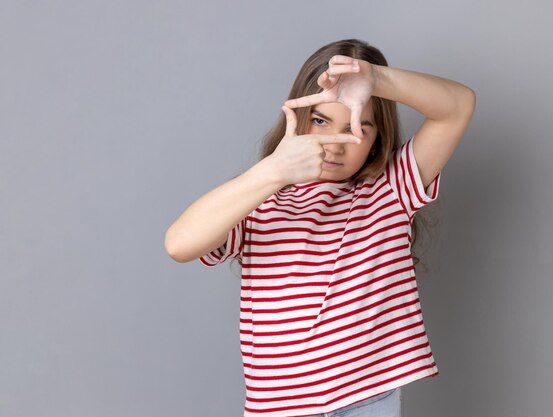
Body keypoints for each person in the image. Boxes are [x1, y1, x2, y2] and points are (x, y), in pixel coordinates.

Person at [164, 39, 475, 417]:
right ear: (296, 115)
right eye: (321, 121)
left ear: (377, 141)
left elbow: (457, 107)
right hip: (280, 409)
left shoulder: (390, 190)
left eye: (359, 127)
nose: (336, 143)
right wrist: (273, 171)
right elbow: (179, 244)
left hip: (366, 402)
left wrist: (376, 80)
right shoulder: (260, 199)